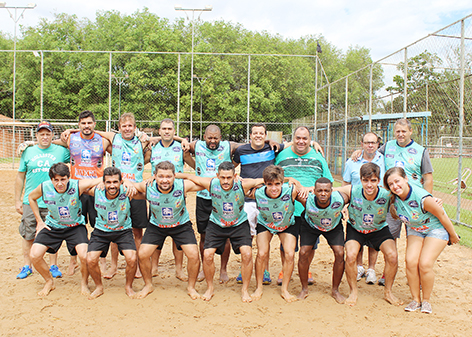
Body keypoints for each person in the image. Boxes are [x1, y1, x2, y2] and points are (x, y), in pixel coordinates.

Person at [352, 119, 434, 285]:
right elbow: (371, 151)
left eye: (404, 131)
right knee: (390, 238)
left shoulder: (420, 151)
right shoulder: (388, 146)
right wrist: (358, 152)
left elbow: (428, 178)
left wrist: (425, 202)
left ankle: (417, 277)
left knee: (416, 240)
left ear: (411, 132)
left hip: (414, 205)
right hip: (392, 203)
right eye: (397, 131)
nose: (400, 134)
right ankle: (385, 274)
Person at [177, 161, 265, 302]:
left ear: (235, 176)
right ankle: (210, 288)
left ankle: (245, 290)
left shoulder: (242, 184)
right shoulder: (212, 184)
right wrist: (169, 175)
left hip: (239, 223)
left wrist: (290, 180)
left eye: (229, 177)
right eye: (222, 177)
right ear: (217, 176)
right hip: (216, 223)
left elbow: (264, 180)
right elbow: (192, 177)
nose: (225, 181)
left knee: (247, 254)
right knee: (207, 254)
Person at [384, 167, 460, 314]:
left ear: (406, 179)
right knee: (411, 261)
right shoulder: (393, 198)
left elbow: (442, 216)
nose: (395, 186)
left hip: (435, 228)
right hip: (416, 229)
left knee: (424, 264)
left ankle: (426, 301)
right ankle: (415, 300)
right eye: (391, 184)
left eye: (397, 181)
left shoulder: (422, 197)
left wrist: (453, 235)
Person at [28, 163, 101, 296]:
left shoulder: (77, 185)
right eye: (56, 180)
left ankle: (84, 283)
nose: (60, 183)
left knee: (84, 256)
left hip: (75, 227)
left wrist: (124, 182)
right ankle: (49, 281)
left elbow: (101, 179)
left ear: (68, 177)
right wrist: (39, 221)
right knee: (34, 255)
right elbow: (31, 198)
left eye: (63, 179)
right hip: (53, 226)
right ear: (51, 180)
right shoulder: (44, 187)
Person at [133, 161, 203, 300]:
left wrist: (185, 176)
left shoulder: (182, 185)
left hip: (180, 226)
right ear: (155, 176)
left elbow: (206, 183)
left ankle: (191, 287)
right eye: (161, 176)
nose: (164, 180)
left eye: (168, 176)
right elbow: (128, 185)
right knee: (142, 254)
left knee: (194, 255)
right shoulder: (148, 186)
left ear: (174, 177)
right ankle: (148, 285)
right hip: (156, 226)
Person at [336, 163, 401, 307]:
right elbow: (330, 190)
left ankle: (388, 292)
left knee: (392, 255)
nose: (369, 184)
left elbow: (409, 195)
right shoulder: (352, 190)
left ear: (378, 181)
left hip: (378, 229)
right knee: (351, 255)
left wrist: (433, 200)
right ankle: (353, 291)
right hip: (356, 228)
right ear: (360, 180)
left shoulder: (387, 194)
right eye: (365, 180)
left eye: (373, 180)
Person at [56, 110, 112, 276]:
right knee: (74, 224)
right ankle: (73, 259)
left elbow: (115, 138)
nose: (86, 126)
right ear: (78, 124)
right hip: (77, 189)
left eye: (89, 123)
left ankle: (102, 260)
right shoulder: (71, 139)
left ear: (94, 124)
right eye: (83, 123)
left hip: (96, 190)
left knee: (99, 225)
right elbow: (54, 142)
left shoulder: (102, 141)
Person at [275, 126, 333, 285]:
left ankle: (306, 269)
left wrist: (309, 190)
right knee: (286, 244)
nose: (301, 141)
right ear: (293, 139)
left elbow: (328, 181)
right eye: (298, 138)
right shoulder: (281, 155)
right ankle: (284, 270)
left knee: (310, 244)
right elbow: (273, 177)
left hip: (311, 210)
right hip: (288, 209)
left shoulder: (318, 156)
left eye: (305, 138)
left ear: (310, 140)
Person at [15, 121, 70, 279]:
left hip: (53, 201)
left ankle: (53, 265)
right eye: (41, 134)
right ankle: (27, 265)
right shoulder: (28, 151)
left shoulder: (61, 151)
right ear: (36, 135)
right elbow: (20, 177)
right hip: (30, 201)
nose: (44, 137)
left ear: (52, 135)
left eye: (47, 134)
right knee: (28, 234)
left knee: (52, 233)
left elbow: (74, 150)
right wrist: (17, 200)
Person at [232, 123, 285, 284]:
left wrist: (314, 143)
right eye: (255, 133)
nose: (258, 135)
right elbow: (230, 167)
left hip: (266, 200)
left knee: (264, 238)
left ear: (265, 135)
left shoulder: (273, 148)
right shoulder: (241, 151)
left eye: (261, 133)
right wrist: (235, 176)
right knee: (246, 236)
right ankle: (244, 269)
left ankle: (265, 271)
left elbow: (293, 144)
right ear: (250, 135)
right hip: (248, 198)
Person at [144, 118, 195, 281]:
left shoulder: (181, 148)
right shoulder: (153, 148)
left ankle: (179, 269)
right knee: (157, 229)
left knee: (177, 231)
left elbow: (194, 165)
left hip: (177, 195)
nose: (166, 131)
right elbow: (139, 161)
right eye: (164, 129)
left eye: (170, 129)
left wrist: (184, 141)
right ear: (159, 131)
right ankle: (154, 267)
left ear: (174, 131)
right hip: (157, 196)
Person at [250, 165, 306, 303]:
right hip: (266, 223)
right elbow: (241, 186)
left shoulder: (291, 191)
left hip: (286, 224)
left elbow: (307, 201)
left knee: (290, 253)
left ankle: (284, 289)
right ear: (264, 183)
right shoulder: (257, 193)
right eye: (269, 184)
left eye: (277, 184)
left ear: (282, 183)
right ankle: (259, 287)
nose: (274, 188)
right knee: (262, 253)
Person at [85, 167, 138, 299]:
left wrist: (128, 182)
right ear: (103, 182)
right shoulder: (96, 191)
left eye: (115, 182)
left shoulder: (127, 191)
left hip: (123, 230)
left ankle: (128, 286)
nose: (112, 185)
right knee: (90, 259)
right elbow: (78, 185)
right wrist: (98, 182)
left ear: (120, 182)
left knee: (132, 258)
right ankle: (99, 286)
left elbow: (145, 188)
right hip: (101, 230)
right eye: (108, 182)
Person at [343, 132, 385, 284]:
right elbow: (345, 184)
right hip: (357, 207)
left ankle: (371, 269)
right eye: (367, 142)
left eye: (373, 142)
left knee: (374, 237)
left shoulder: (383, 160)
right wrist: (345, 204)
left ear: (378, 144)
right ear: (361, 144)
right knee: (357, 236)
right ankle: (359, 267)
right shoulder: (352, 161)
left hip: (376, 206)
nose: (370, 145)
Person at [298, 177, 347, 303]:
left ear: (332, 191)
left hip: (333, 226)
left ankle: (335, 290)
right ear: (314, 191)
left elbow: (356, 195)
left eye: (326, 190)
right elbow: (291, 191)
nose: (323, 193)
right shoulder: (306, 198)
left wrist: (347, 209)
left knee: (340, 253)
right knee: (303, 252)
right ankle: (304, 289)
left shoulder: (340, 199)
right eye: (319, 191)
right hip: (311, 225)